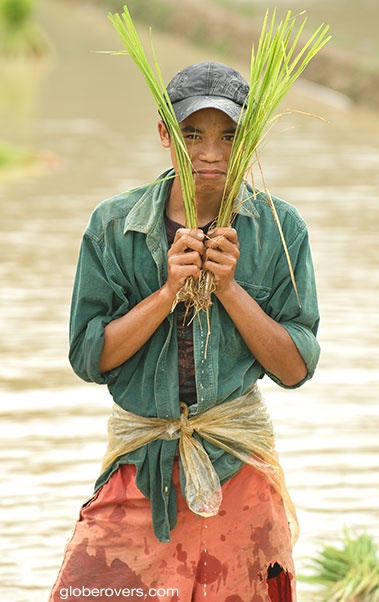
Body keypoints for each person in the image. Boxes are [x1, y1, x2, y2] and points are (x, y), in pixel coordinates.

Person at [49, 61, 320, 602]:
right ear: (164, 135)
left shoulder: (281, 229)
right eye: (192, 134)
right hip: (140, 469)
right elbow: (88, 357)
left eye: (228, 136)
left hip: (238, 467)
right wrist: (168, 292)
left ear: (249, 140)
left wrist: (229, 289)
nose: (211, 154)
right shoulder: (113, 225)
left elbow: (295, 369)